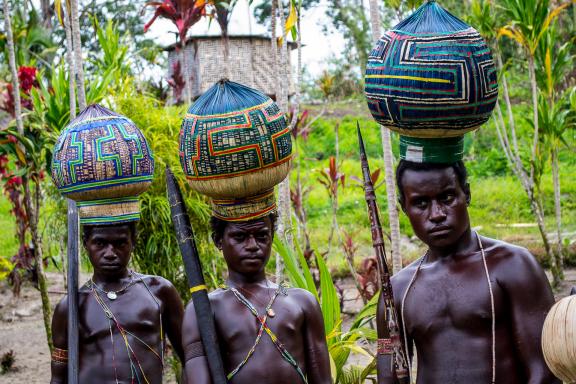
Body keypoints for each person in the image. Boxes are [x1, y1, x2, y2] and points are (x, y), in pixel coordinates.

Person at [376, 158, 559, 383]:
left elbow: (546, 370)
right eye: (421, 204)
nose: (436, 214)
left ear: (467, 193)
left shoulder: (512, 265)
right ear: (405, 207)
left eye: (447, 198)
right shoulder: (396, 290)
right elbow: (388, 373)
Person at [182, 213, 331, 384]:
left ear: (271, 238)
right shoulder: (203, 309)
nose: (252, 245)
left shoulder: (303, 302)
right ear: (218, 240)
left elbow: (323, 380)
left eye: (261, 236)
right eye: (240, 237)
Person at [50, 222, 185, 384]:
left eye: (120, 243)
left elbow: (191, 357)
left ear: (133, 242)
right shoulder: (71, 306)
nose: (110, 253)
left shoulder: (159, 291)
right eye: (100, 243)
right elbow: (58, 378)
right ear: (86, 244)